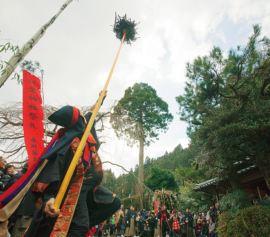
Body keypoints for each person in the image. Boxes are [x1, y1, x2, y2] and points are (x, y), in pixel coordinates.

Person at [24, 91, 121, 237]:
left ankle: (73, 225)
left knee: (114, 202)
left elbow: (91, 111)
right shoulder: (67, 144)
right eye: (82, 118)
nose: (85, 120)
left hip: (89, 187)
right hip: (72, 189)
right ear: (76, 123)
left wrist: (100, 98)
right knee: (79, 227)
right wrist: (49, 196)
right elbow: (53, 170)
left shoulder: (87, 129)